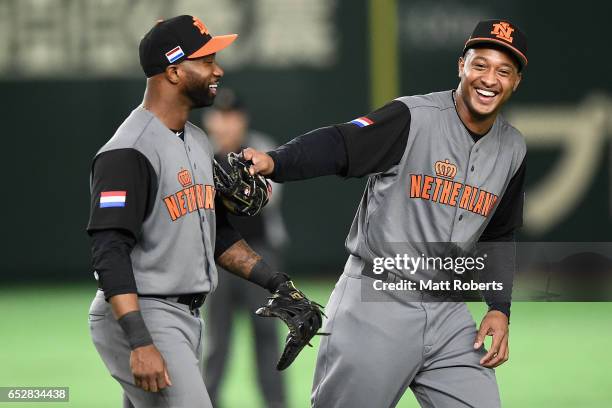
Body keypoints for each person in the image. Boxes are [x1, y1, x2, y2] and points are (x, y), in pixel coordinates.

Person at [243, 19, 528, 408]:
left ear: (515, 82)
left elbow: (499, 234)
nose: (489, 79)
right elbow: (339, 144)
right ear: (461, 65)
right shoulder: (413, 117)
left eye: (503, 71)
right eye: (480, 64)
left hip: (449, 311)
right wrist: (274, 162)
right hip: (379, 298)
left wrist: (499, 308)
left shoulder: (512, 148)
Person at [86, 15, 313, 408]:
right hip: (144, 314)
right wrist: (139, 341)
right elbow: (109, 249)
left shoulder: (195, 140)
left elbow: (218, 233)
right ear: (174, 72)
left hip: (185, 316)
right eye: (206, 60)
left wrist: (275, 281)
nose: (217, 69)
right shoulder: (128, 151)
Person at [202, 89, 289, 408]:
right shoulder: (199, 154)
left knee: (267, 338)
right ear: (209, 120)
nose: (226, 123)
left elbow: (270, 197)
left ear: (243, 119)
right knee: (215, 342)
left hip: (261, 256)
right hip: (217, 261)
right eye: (220, 116)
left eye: (232, 116)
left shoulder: (261, 149)